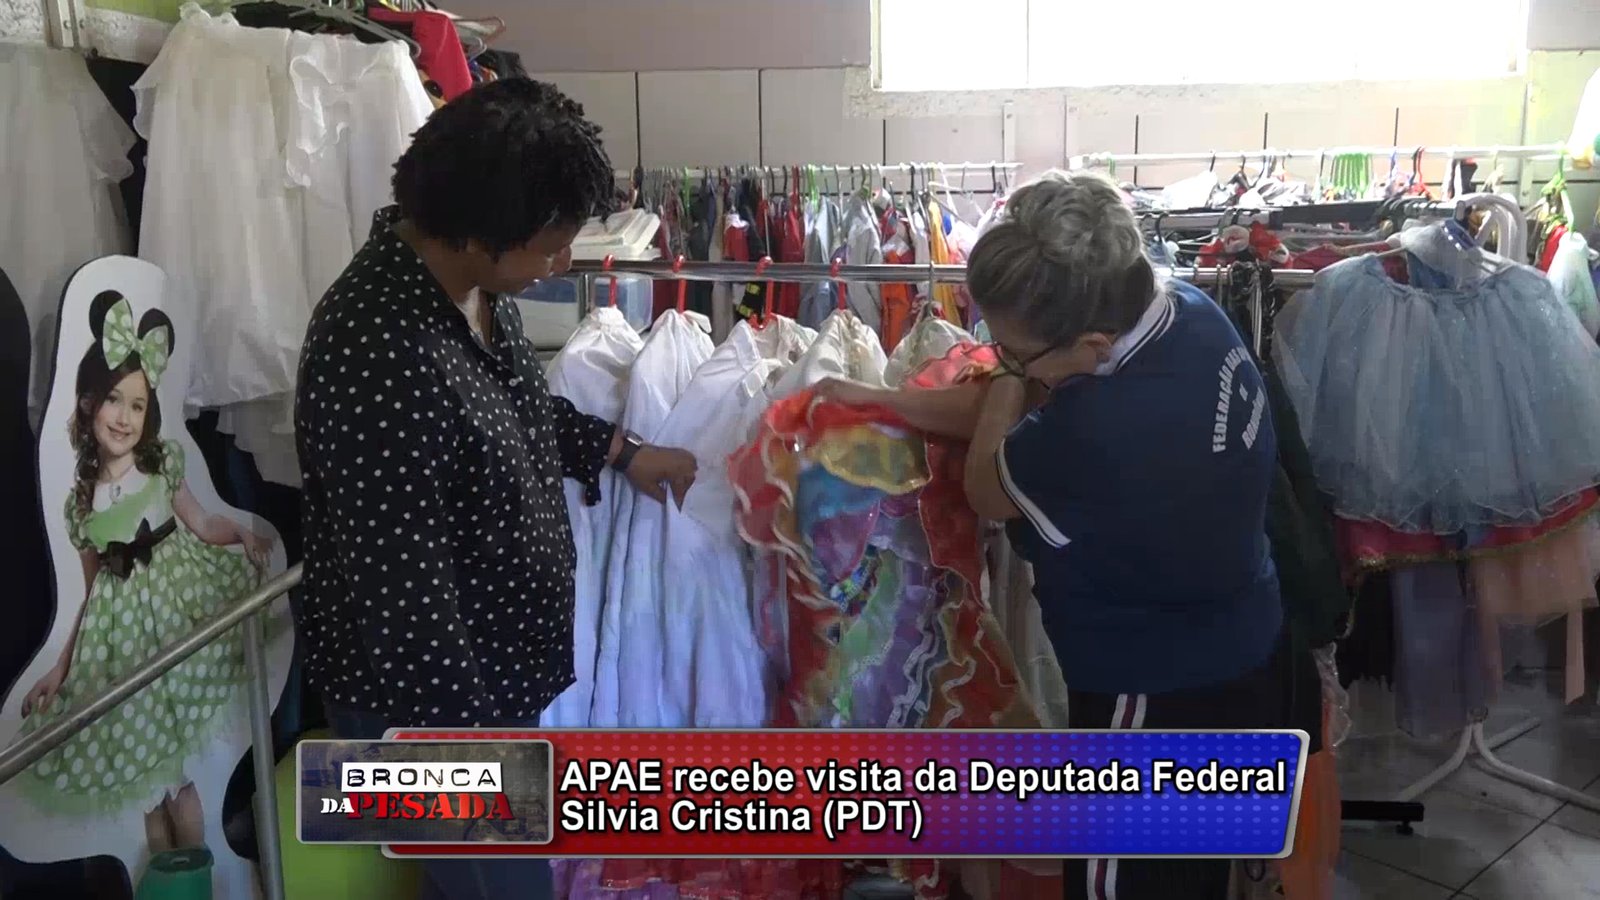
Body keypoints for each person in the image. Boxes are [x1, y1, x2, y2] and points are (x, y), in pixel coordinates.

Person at [817, 170, 1320, 900]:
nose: (997, 358)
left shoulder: (1104, 430)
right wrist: (882, 400)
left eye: (1009, 350)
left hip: (1156, 696)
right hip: (1251, 642)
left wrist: (1005, 383)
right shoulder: (1190, 311)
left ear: (1089, 344)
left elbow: (989, 484)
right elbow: (1018, 406)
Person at [293, 79, 697, 900]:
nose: (561, 265)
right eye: (550, 248)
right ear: (480, 233)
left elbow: (519, 411)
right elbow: (405, 598)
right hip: (433, 709)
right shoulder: (376, 348)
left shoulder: (473, 291)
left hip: (496, 674)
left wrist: (620, 451)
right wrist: (480, 767)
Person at [20, 289, 274, 867]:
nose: (124, 417)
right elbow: (89, 595)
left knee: (180, 781)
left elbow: (202, 523)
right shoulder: (80, 502)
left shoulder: (161, 467)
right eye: (114, 400)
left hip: (176, 617)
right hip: (122, 645)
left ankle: (198, 874)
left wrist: (241, 533)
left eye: (137, 405)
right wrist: (60, 670)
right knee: (149, 792)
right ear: (89, 403)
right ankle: (166, 881)